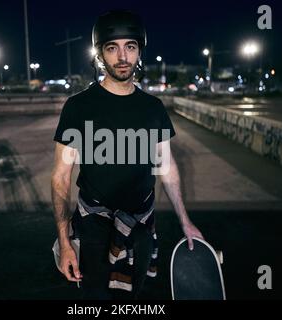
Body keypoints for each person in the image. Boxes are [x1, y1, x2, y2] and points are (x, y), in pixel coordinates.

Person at [51, 9, 204, 300]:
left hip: (141, 225)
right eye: (112, 48)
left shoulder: (153, 108)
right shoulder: (78, 106)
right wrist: (65, 242)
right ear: (100, 55)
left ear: (139, 52)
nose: (122, 56)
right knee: (96, 300)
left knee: (134, 298)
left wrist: (185, 221)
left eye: (130, 47)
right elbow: (60, 176)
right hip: (92, 226)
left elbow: (167, 167)